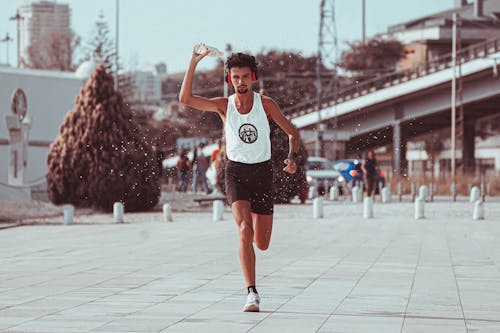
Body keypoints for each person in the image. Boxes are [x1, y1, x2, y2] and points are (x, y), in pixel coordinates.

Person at [179, 46, 300, 312]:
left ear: (253, 77)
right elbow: (186, 98)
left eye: (245, 77)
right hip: (235, 172)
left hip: (262, 173)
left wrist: (292, 159)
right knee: (244, 230)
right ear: (229, 80)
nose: (241, 82)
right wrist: (193, 61)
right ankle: (251, 293)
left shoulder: (266, 105)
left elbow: (292, 132)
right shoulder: (224, 106)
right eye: (235, 77)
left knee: (262, 243)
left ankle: (253, 269)